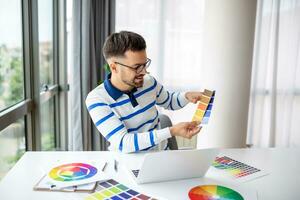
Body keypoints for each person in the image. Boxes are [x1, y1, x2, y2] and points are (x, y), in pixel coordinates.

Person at [86, 31, 203, 153]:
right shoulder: (97, 100)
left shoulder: (148, 82)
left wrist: (187, 96)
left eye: (144, 64)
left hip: (161, 155)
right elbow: (124, 142)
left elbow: (169, 101)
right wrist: (171, 131)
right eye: (136, 67)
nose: (144, 72)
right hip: (129, 163)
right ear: (114, 67)